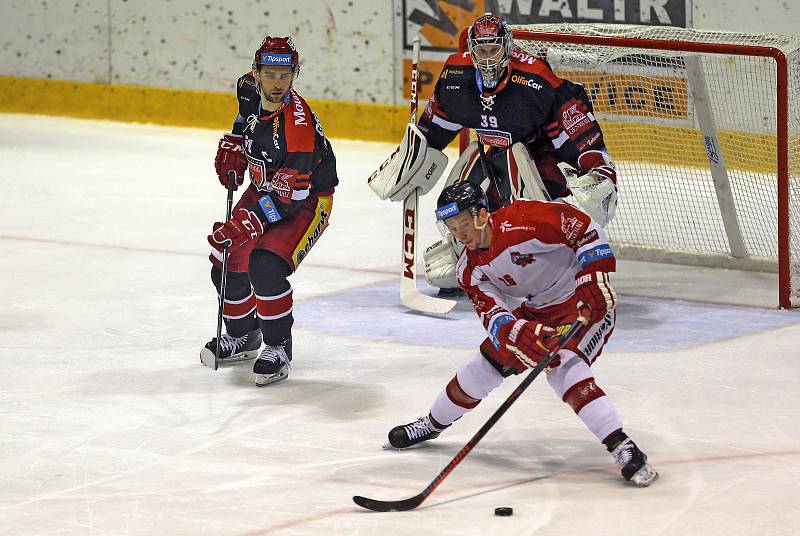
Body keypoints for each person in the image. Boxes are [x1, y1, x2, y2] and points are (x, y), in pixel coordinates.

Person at [385, 181, 657, 487]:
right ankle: (432, 424)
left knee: (563, 368)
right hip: (538, 312)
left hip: (584, 303)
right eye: (452, 229)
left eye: (463, 225)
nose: (460, 236)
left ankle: (622, 445)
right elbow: (494, 317)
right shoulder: (469, 270)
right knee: (482, 367)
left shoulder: (524, 220)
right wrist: (519, 333)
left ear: (482, 215)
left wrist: (594, 274)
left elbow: (584, 229)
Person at [368, 13, 618, 291]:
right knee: (458, 199)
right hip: (494, 153)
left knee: (526, 205)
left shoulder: (535, 81)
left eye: (493, 49)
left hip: (541, 156)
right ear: (471, 51)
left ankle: (555, 255)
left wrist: (598, 171)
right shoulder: (455, 78)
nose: (487, 58)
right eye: (481, 50)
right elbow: (433, 130)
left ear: (508, 48)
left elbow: (579, 134)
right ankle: (471, 255)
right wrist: (410, 158)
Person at [200, 36, 338, 386]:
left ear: (294, 75)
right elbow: (243, 119)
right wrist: (233, 144)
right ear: (256, 72)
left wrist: (249, 222)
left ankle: (278, 346)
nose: (277, 83)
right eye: (270, 74)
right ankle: (244, 335)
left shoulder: (298, 126)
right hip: (266, 187)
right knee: (226, 256)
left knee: (264, 264)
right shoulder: (247, 89)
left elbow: (290, 198)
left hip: (306, 200)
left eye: (285, 75)